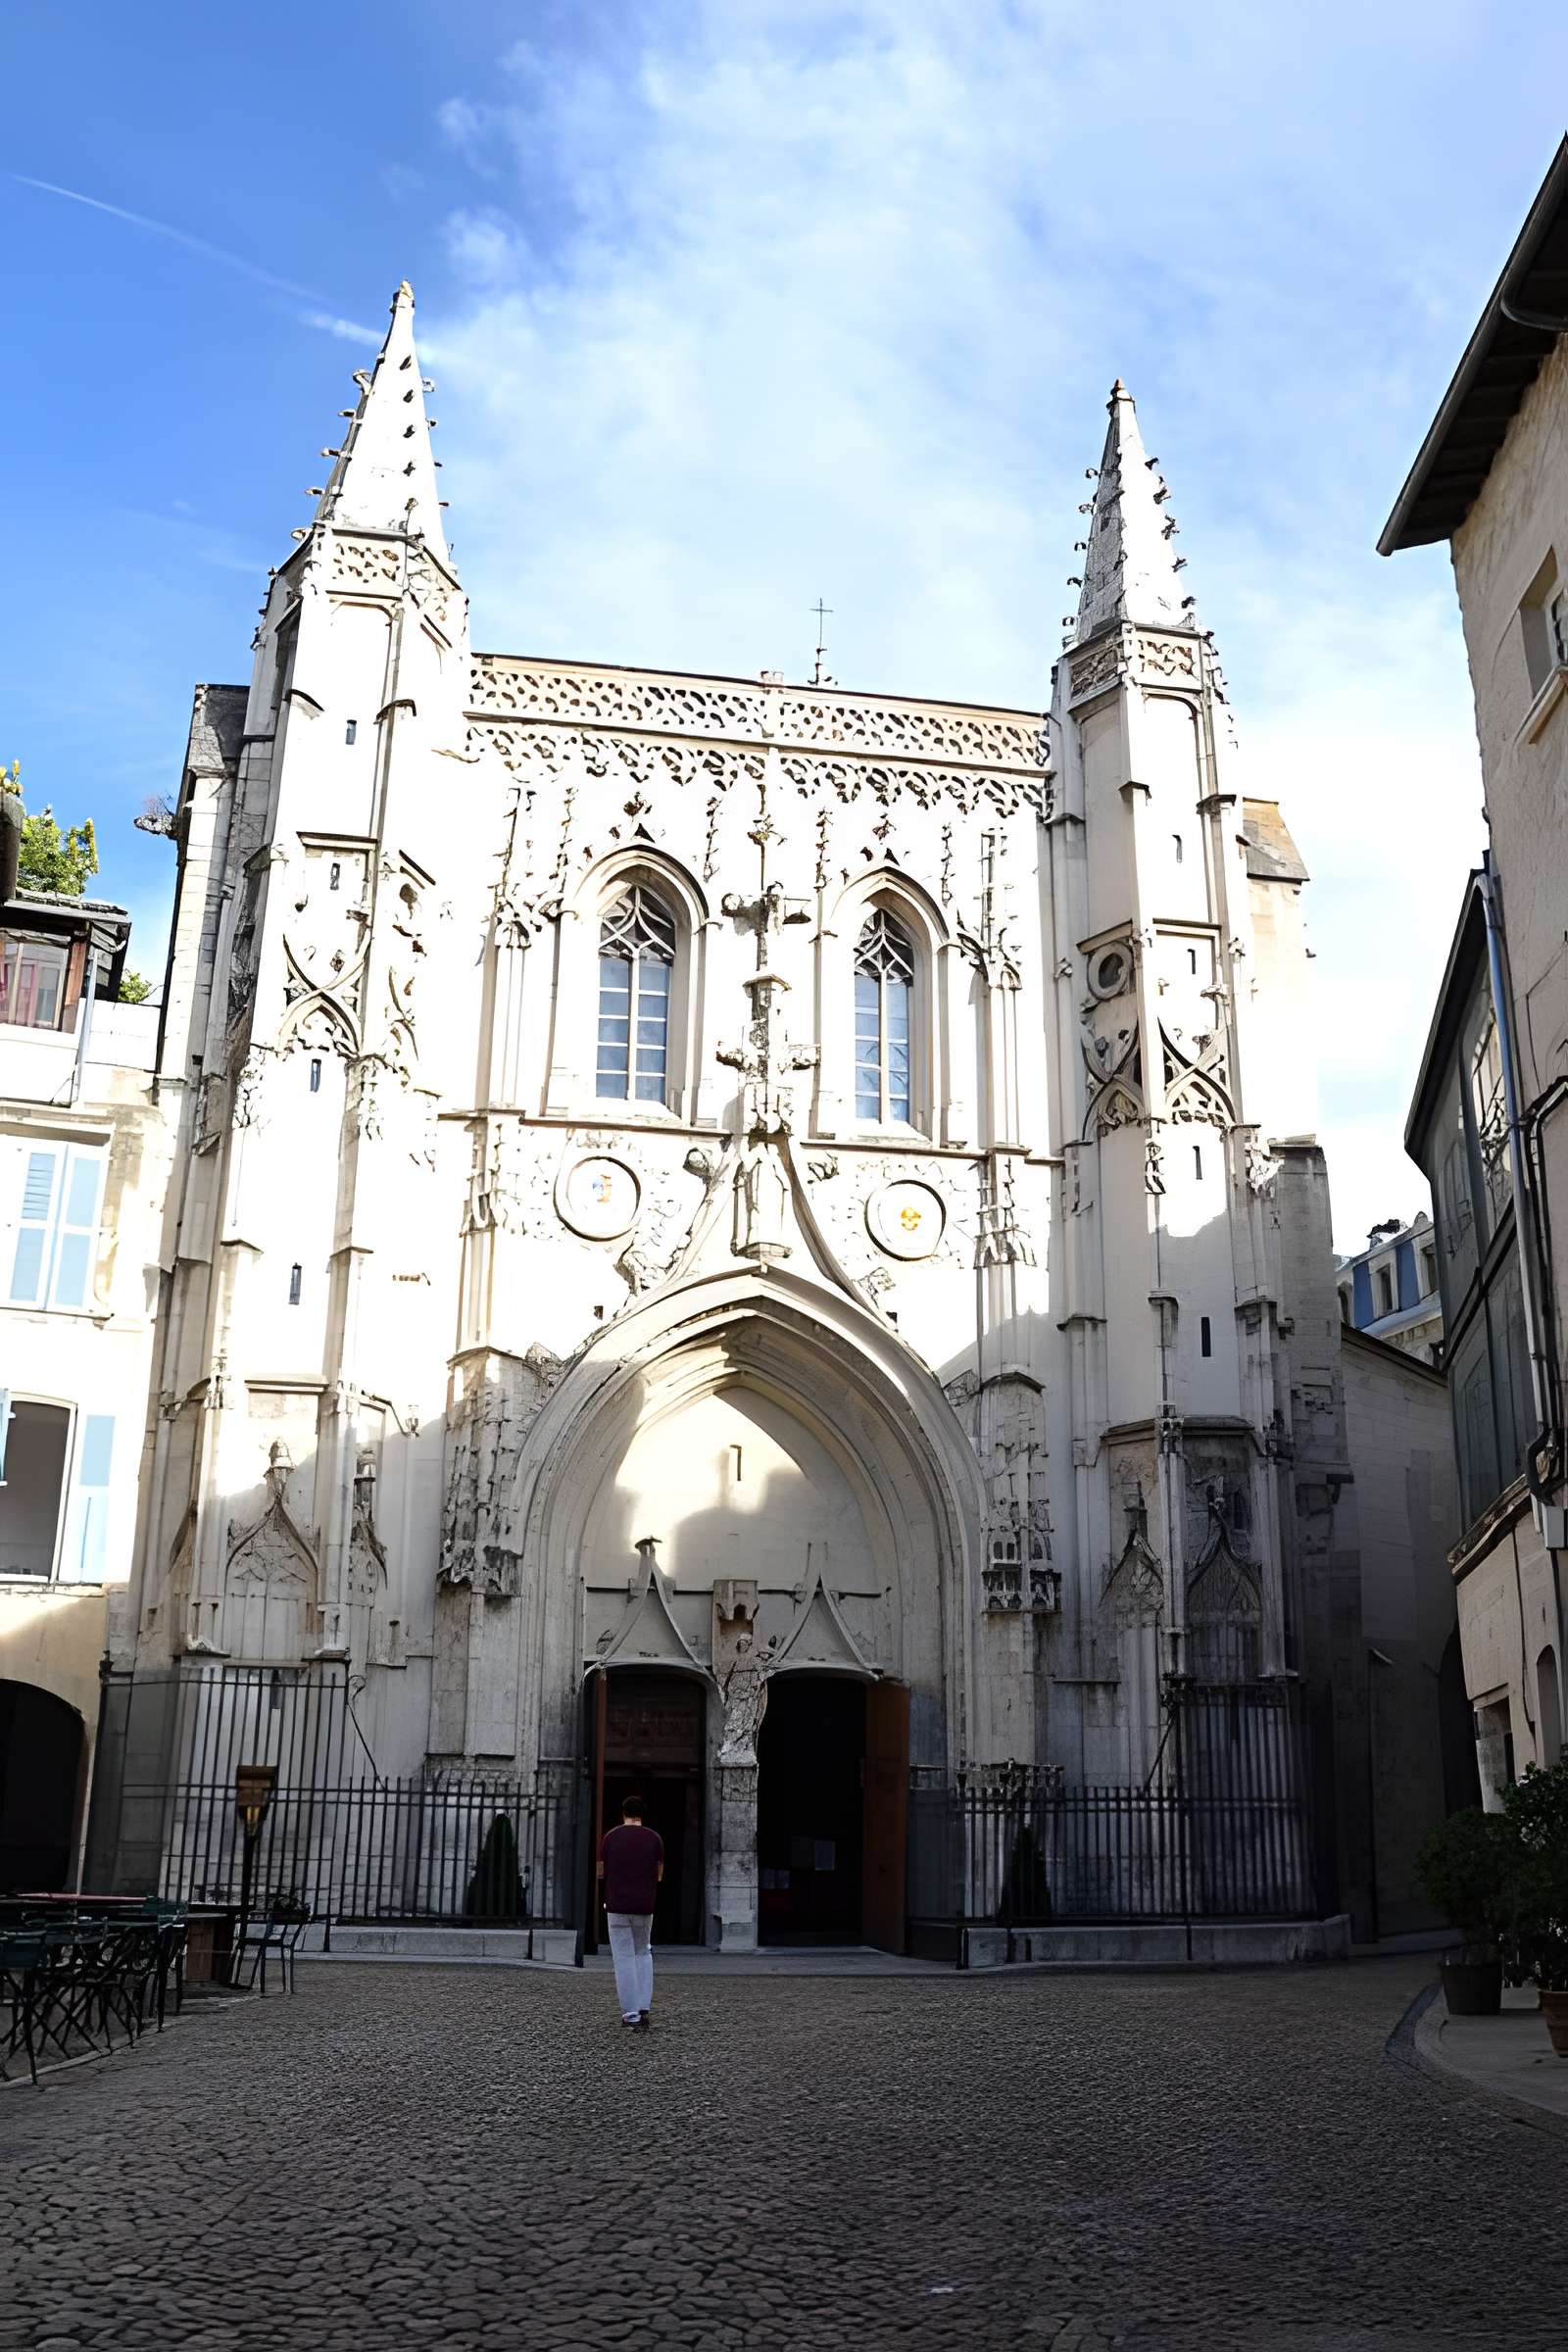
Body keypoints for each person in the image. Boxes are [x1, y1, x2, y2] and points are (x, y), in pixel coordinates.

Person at [598, 1793, 663, 2031]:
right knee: (643, 1953)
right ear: (642, 1814)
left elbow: (601, 1873)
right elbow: (659, 1875)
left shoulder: (610, 1837)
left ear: (623, 1813)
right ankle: (644, 2006)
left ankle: (631, 2013)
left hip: (617, 1905)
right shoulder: (654, 1839)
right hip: (644, 1905)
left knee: (623, 1957)